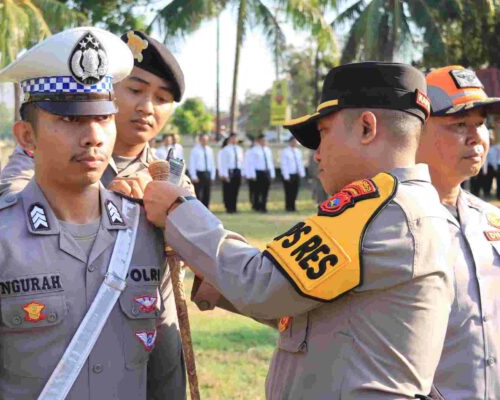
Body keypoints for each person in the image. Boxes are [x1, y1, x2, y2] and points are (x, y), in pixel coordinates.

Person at [143, 62, 458, 399]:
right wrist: (214, 275)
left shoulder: (379, 210)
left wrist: (179, 209)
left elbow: (262, 283)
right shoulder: (414, 208)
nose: (317, 154)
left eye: (322, 134)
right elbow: (311, 311)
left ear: (367, 127)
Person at [0, 26, 185, 399]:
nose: (94, 136)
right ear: (27, 137)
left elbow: (165, 375)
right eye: (70, 119)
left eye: (104, 117)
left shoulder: (145, 231)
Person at [0, 29, 191, 201]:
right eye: (136, 90)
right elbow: (8, 202)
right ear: (106, 92)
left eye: (162, 99)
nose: (147, 108)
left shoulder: (170, 178)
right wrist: (96, 204)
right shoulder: (47, 149)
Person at [417, 65, 500, 399]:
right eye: (458, 125)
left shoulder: (491, 220)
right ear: (416, 132)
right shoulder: (392, 223)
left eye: (480, 124)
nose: (476, 137)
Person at [244, 134, 275, 212]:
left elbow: (270, 162)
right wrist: (252, 174)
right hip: (258, 172)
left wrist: (272, 173)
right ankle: (256, 206)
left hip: (266, 172)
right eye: (263, 140)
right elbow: (251, 163)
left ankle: (263, 206)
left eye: (265, 140)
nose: (265, 142)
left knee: (265, 190)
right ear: (258, 141)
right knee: (257, 191)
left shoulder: (267, 150)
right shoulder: (253, 150)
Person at [217, 133, 242, 213]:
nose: (235, 140)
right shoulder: (225, 149)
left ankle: (234, 207)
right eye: (233, 138)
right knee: (228, 190)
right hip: (229, 171)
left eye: (236, 138)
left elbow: (241, 162)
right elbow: (223, 163)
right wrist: (225, 174)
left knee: (235, 190)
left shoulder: (239, 149)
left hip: (237, 171)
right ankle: (228, 207)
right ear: (230, 139)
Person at [188, 133, 215, 207]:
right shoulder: (195, 150)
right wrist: (194, 176)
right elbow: (192, 163)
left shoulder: (209, 150)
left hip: (207, 173)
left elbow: (212, 163)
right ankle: (199, 208)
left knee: (207, 192)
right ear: (200, 140)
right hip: (199, 173)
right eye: (203, 140)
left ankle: (206, 207)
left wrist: (213, 175)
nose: (205, 141)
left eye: (206, 140)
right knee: (198, 193)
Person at [280, 135, 306, 211]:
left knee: (295, 191)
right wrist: (286, 176)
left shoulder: (298, 152)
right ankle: (288, 207)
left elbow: (300, 163)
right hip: (289, 174)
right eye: (294, 142)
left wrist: (302, 173)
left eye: (296, 142)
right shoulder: (285, 151)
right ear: (290, 142)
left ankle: (293, 206)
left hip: (296, 174)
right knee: (288, 192)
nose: (295, 143)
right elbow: (284, 164)